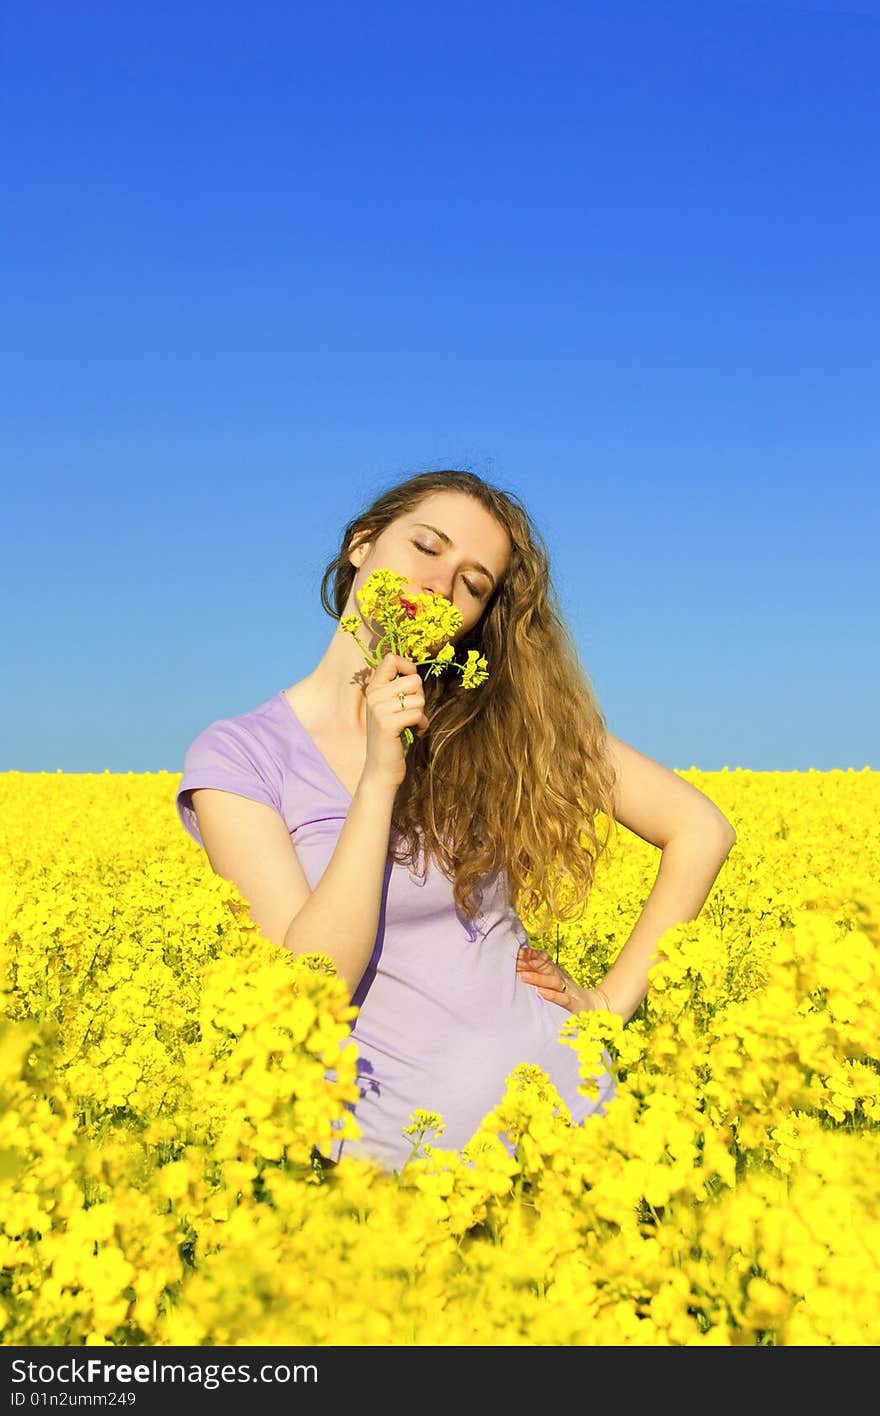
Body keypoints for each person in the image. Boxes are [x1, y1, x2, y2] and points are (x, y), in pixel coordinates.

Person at [176, 469, 737, 1174]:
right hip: (398, 1190)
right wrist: (382, 775)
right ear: (361, 545)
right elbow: (309, 987)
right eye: (427, 547)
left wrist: (607, 1007)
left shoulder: (498, 719)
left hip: (582, 1147)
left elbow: (700, 828)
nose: (442, 584)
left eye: (474, 584)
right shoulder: (241, 756)